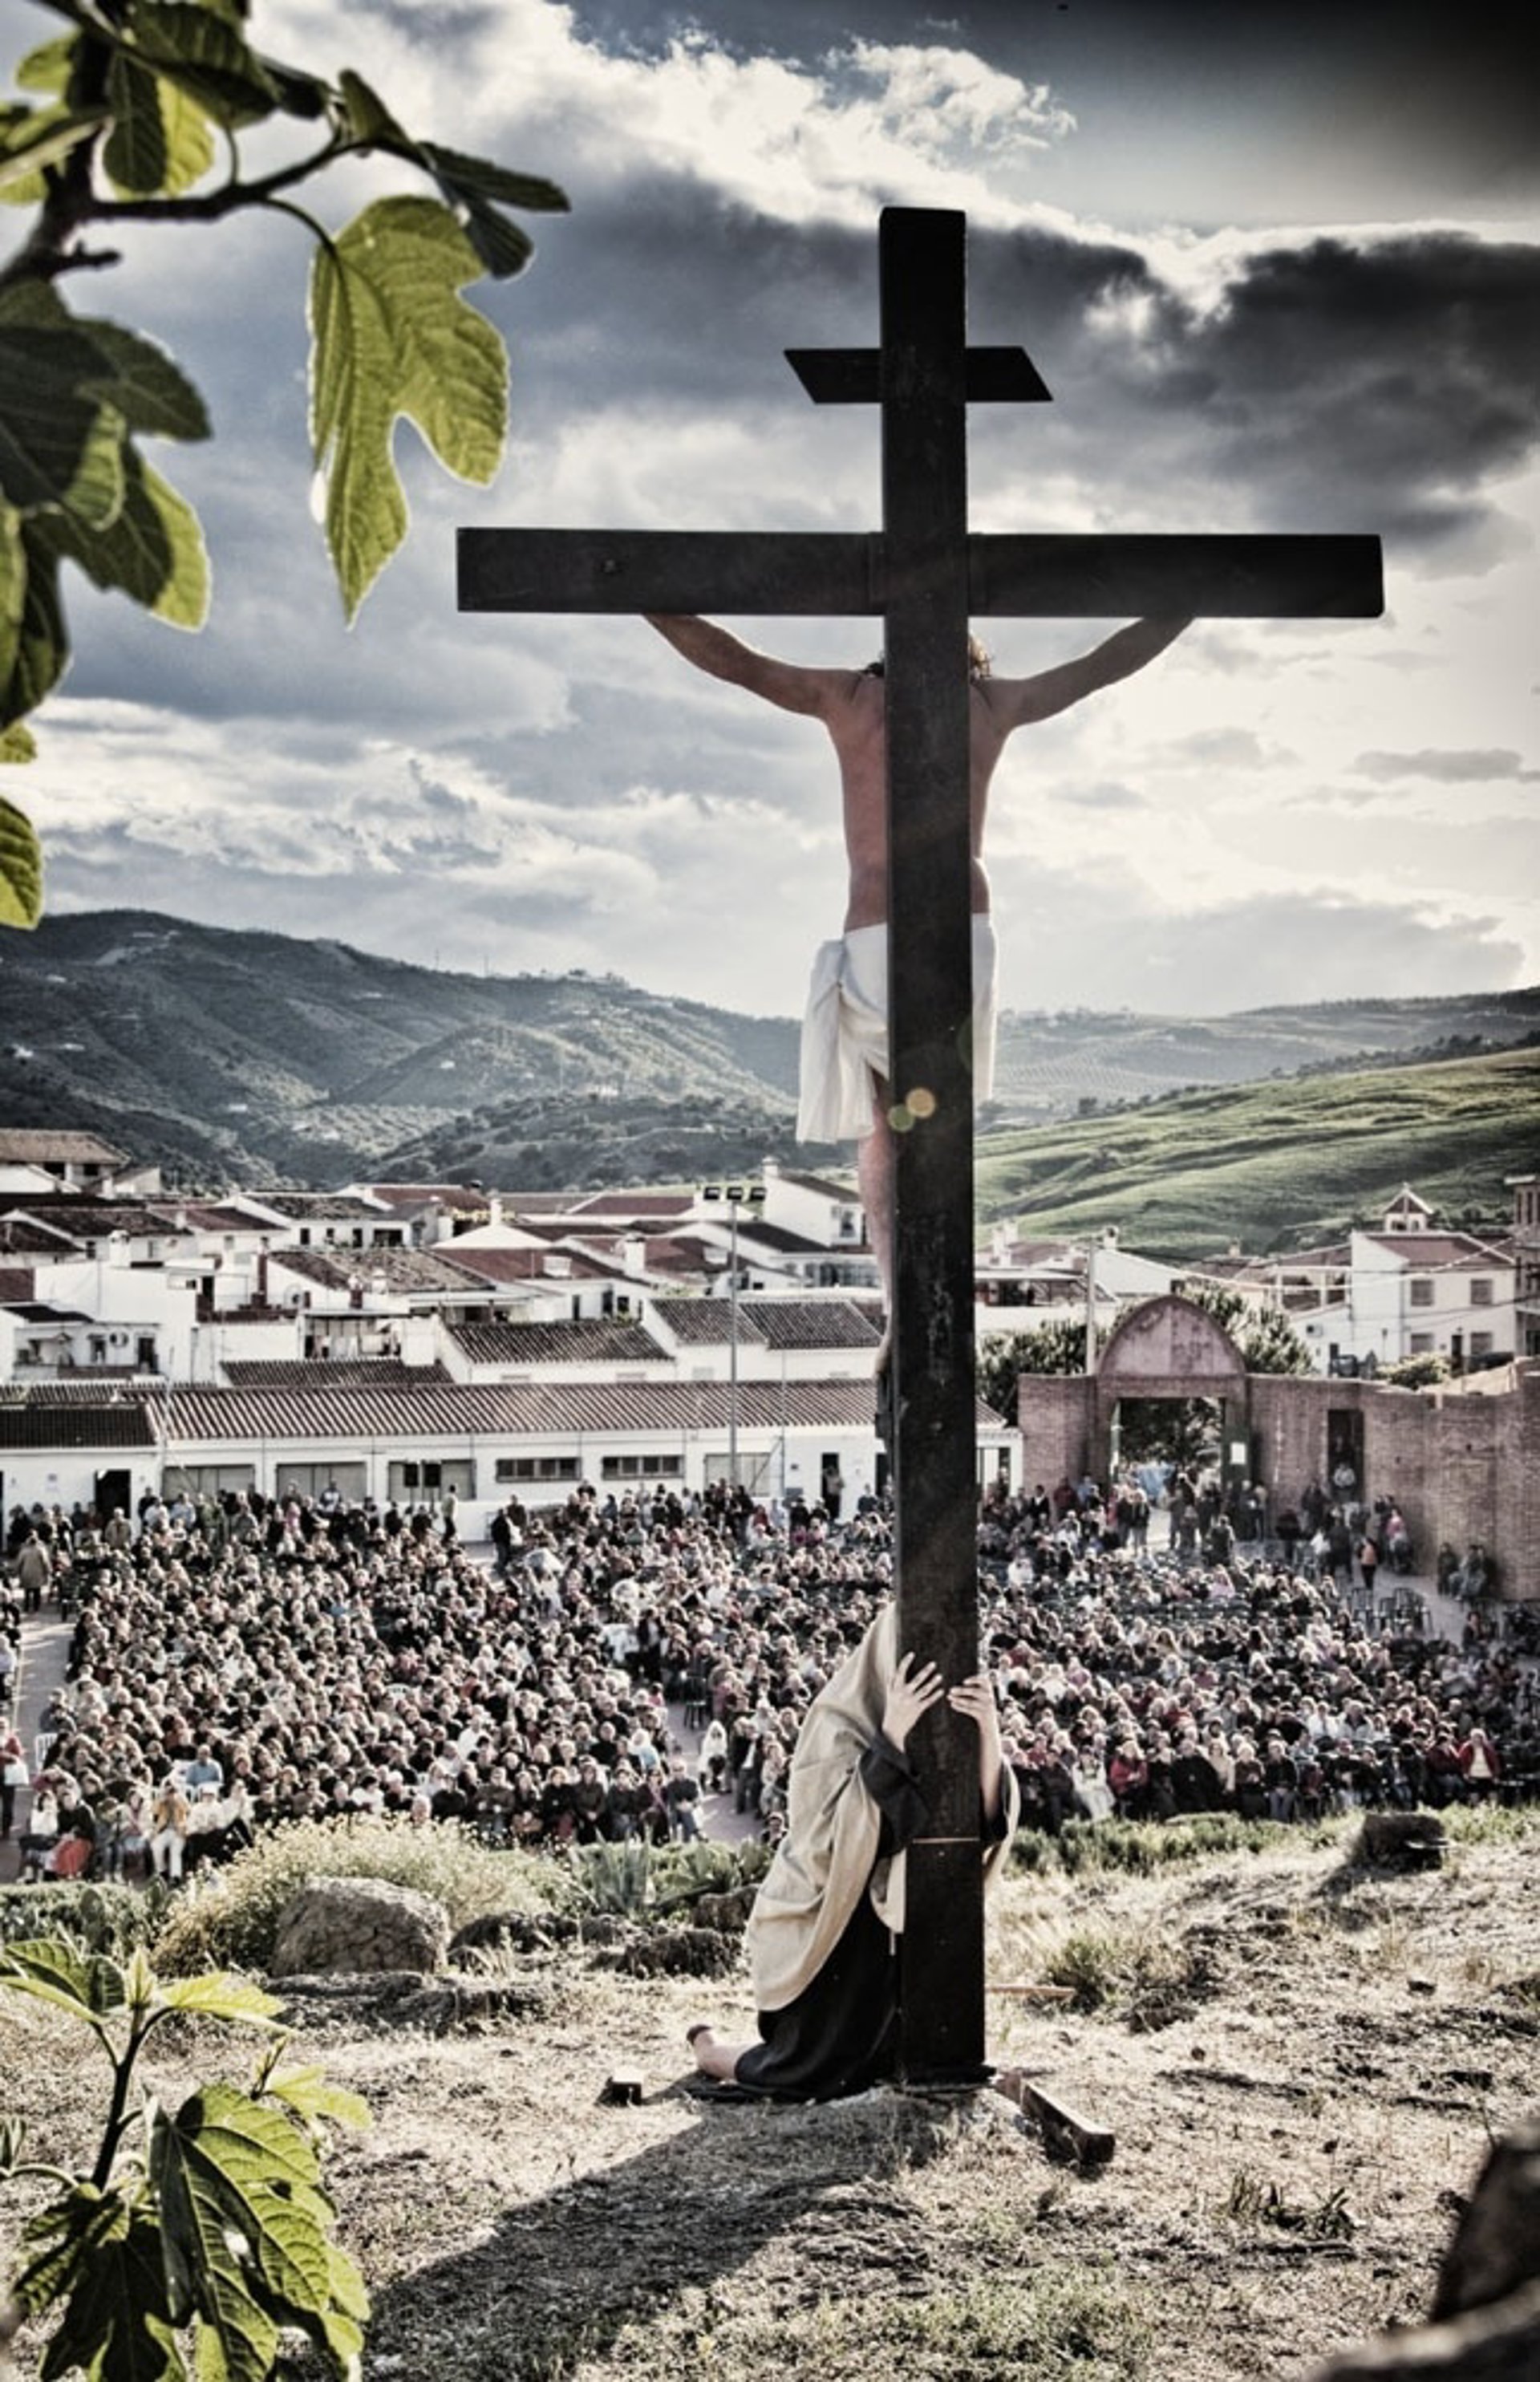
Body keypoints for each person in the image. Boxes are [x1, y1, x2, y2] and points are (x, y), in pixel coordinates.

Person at [644, 611, 1189, 1369]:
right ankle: (937, 1306)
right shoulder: (988, 704)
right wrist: (1188, 603)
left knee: (883, 1125)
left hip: (879, 925)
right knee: (940, 1120)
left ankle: (903, 1308)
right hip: (966, 926)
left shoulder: (850, 699)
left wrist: (649, 602)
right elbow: (1104, 664)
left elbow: (736, 661)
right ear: (970, 655)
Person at [686, 1605, 1017, 2100]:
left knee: (911, 2057)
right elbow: (825, 1833)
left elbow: (987, 1819)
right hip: (843, 1924)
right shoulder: (835, 1722)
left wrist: (988, 1731)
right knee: (809, 2070)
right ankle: (708, 2049)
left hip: (919, 1922)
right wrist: (892, 1733)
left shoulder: (957, 1716)